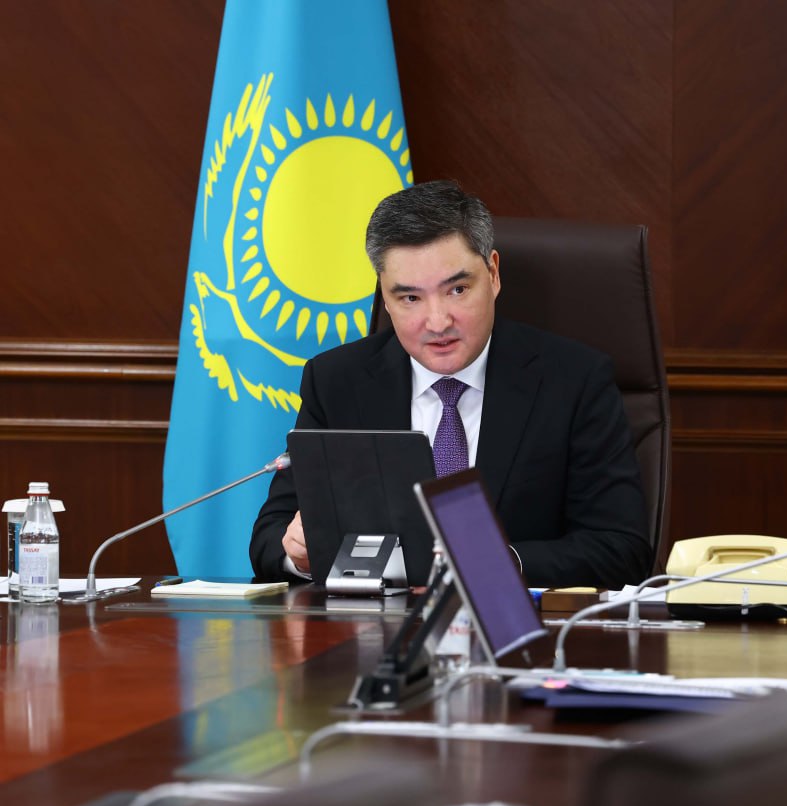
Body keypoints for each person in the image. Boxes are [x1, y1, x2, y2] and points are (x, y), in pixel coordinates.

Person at [250, 180, 650, 589]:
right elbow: (269, 537)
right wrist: (297, 554)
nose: (438, 322)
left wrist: (494, 563)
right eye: (410, 299)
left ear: (493, 274)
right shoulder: (338, 381)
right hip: (375, 625)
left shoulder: (574, 381)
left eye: (457, 290)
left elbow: (620, 550)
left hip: (516, 623)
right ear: (385, 297)